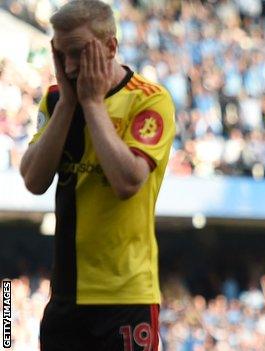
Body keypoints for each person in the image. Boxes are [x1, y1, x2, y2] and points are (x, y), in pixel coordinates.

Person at [19, 1, 175, 350]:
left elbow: (127, 182)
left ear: (110, 47)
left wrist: (92, 104)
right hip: (65, 295)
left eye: (79, 53)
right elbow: (33, 180)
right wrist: (70, 105)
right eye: (62, 55)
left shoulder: (150, 101)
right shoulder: (57, 100)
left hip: (126, 296)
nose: (71, 67)